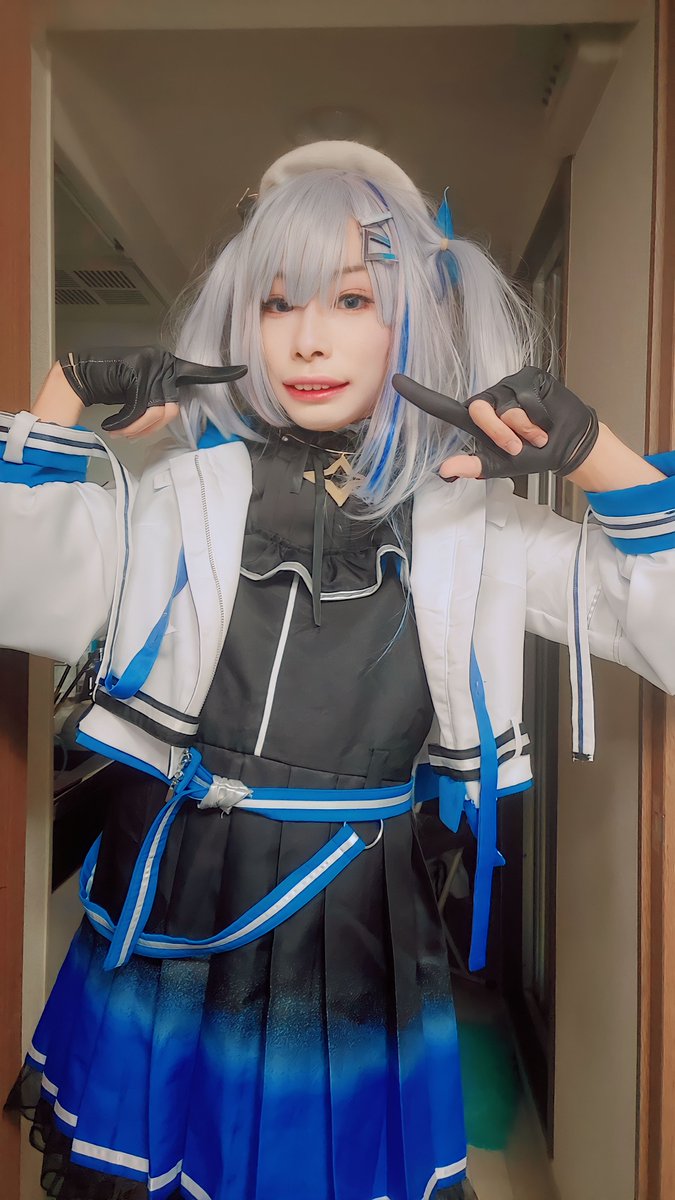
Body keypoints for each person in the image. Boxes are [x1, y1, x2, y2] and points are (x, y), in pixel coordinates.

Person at [3, 140, 675, 1200]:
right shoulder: (182, 496)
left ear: (417, 318)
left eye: (352, 299)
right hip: (177, 889)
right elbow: (13, 580)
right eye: (277, 303)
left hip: (358, 908)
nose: (306, 338)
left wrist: (597, 455)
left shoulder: (474, 525)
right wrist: (62, 396)